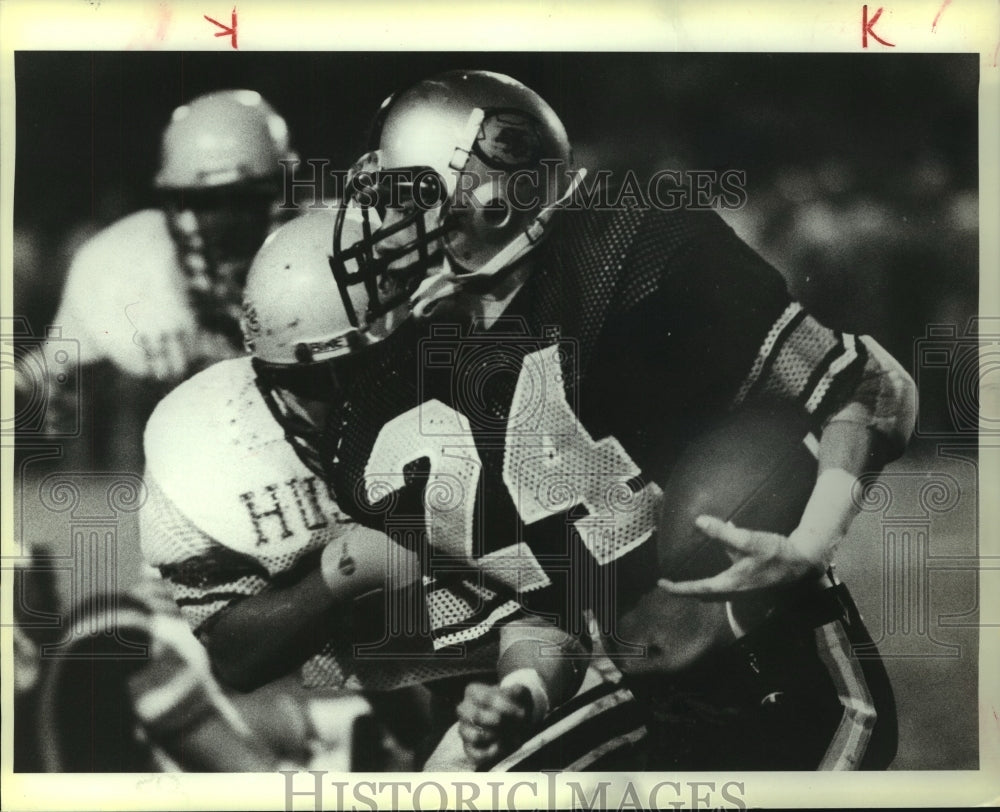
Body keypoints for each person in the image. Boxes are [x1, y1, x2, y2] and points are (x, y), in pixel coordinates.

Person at [317, 69, 916, 770]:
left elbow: (868, 387)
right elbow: (543, 603)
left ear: (492, 195)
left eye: (409, 196)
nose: (387, 224)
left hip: (784, 687)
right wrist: (521, 693)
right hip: (631, 690)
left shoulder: (626, 253)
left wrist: (814, 538)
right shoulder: (426, 369)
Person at [139, 211, 591, 769]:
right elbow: (234, 654)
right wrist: (342, 571)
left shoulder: (481, 402)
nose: (320, 398)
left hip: (542, 674)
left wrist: (521, 692)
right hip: (402, 683)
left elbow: (556, 614)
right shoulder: (220, 437)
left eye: (374, 362)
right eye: (297, 377)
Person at [19, 88, 297, 472]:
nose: (214, 221)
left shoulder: (323, 249)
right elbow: (53, 384)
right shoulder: (123, 260)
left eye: (237, 200)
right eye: (197, 201)